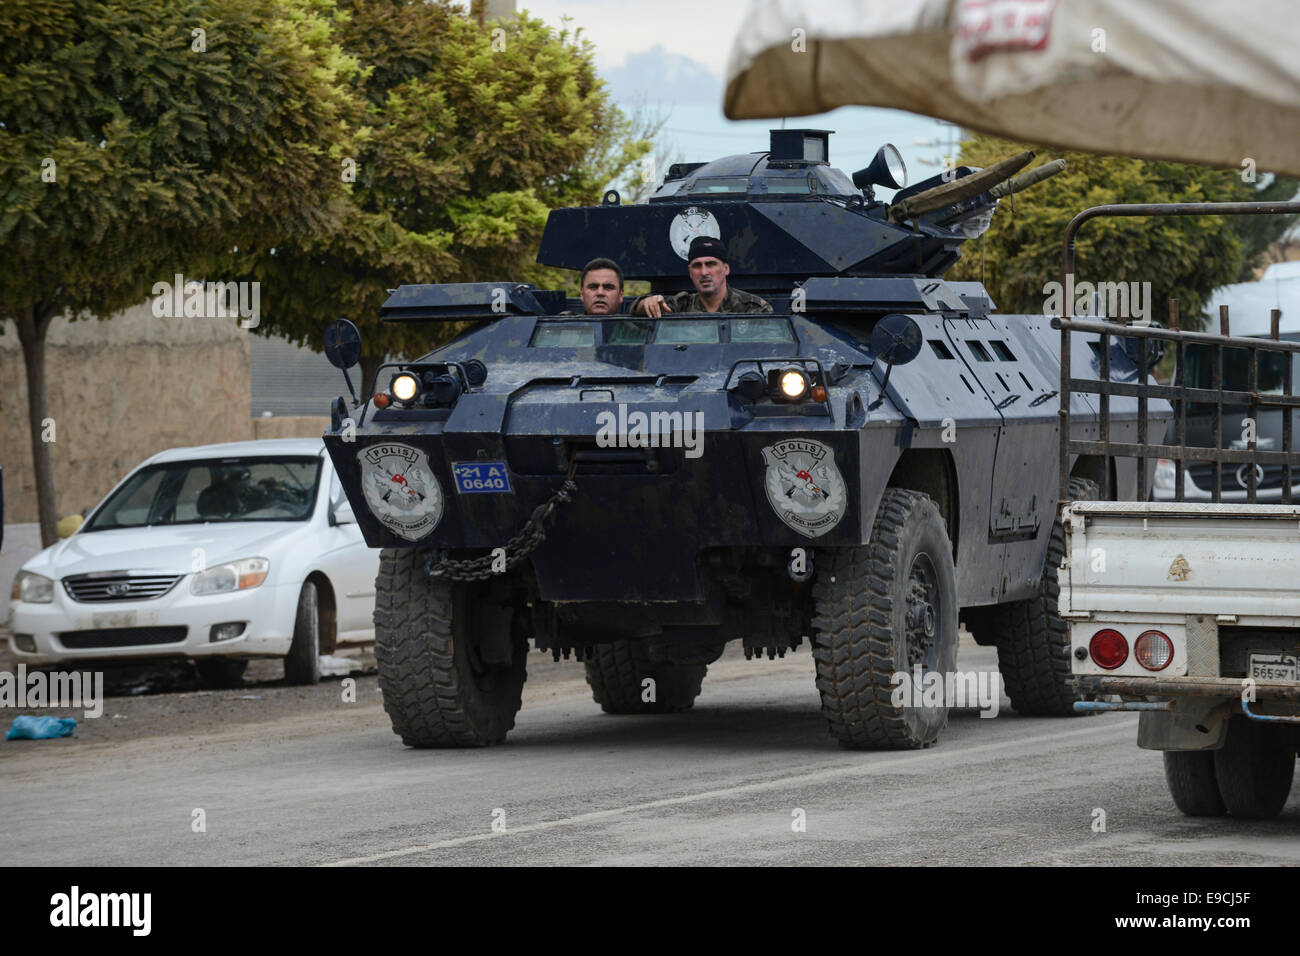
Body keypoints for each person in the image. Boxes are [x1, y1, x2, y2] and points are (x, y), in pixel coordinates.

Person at [632, 236, 772, 317]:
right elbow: (639, 311)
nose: (704, 272)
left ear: (726, 269)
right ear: (690, 272)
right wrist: (644, 303)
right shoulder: (681, 305)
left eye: (711, 264)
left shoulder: (754, 308)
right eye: (697, 266)